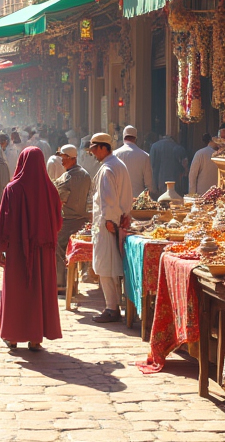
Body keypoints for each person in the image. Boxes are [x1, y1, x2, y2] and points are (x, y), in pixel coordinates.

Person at [0, 147, 63, 351]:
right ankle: (35, 338)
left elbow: (4, 223)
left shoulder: (12, 189)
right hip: (43, 251)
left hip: (18, 251)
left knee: (17, 292)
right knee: (39, 291)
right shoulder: (51, 190)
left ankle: (12, 337)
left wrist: (1, 249)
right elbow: (57, 223)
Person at [88, 132, 133, 323]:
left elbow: (109, 199)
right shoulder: (117, 165)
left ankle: (111, 308)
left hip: (109, 224)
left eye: (94, 149)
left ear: (102, 148)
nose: (92, 153)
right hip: (117, 221)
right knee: (112, 265)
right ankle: (114, 305)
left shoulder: (108, 168)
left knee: (105, 266)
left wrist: (109, 220)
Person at [53, 144, 92, 294]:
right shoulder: (85, 174)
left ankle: (61, 284)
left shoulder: (67, 177)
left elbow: (60, 200)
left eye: (64, 158)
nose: (62, 161)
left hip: (68, 220)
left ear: (72, 158)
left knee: (58, 249)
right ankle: (71, 284)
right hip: (83, 220)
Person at [114, 125, 153, 198]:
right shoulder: (145, 156)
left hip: (119, 200)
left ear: (123, 137)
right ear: (136, 138)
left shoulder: (115, 154)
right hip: (137, 201)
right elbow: (149, 184)